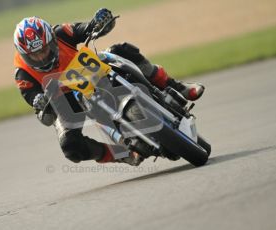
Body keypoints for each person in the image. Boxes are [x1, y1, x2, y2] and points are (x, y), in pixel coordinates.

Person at [13, 8, 205, 166]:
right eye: (34, 55)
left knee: (120, 50)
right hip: (65, 98)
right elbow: (36, 104)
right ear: (24, 55)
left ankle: (176, 87)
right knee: (70, 146)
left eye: (44, 49)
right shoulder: (23, 75)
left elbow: (83, 29)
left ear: (52, 40)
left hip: (88, 69)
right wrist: (40, 102)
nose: (41, 57)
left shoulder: (61, 33)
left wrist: (97, 23)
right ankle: (123, 154)